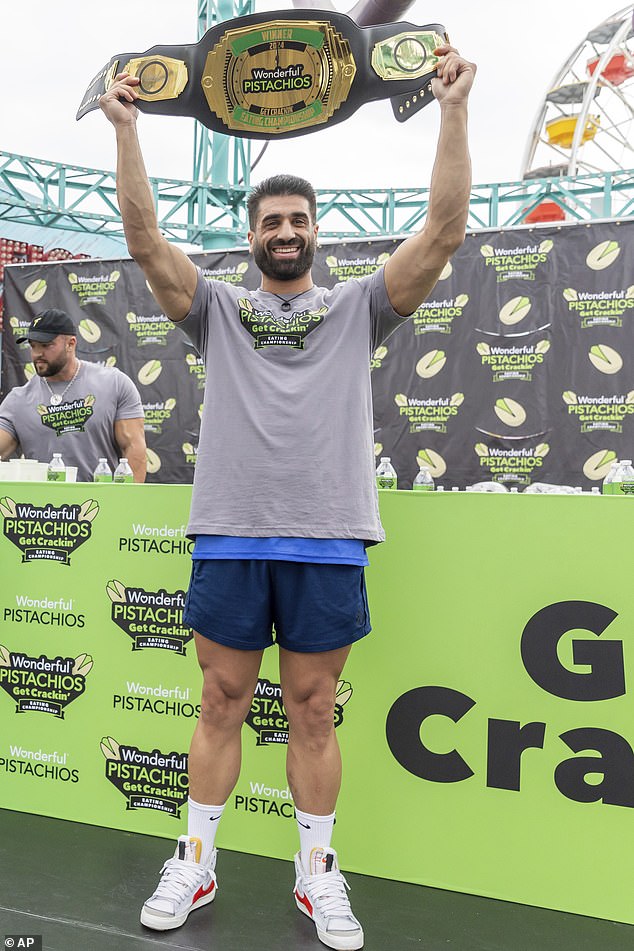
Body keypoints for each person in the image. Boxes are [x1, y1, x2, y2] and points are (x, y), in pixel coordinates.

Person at [99, 41, 475, 950]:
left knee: (311, 710)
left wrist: (455, 108)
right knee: (220, 700)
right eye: (271, 219)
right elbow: (145, 239)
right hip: (232, 535)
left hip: (328, 537)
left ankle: (317, 875)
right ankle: (195, 859)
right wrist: (126, 129)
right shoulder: (217, 309)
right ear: (253, 235)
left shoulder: (359, 307)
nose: (285, 229)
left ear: (315, 232)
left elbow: (444, 230)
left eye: (298, 218)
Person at [0, 308, 146, 482]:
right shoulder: (17, 401)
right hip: (42, 500)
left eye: (46, 345)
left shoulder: (114, 383)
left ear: (70, 344)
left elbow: (134, 449)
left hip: (101, 497)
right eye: (33, 346)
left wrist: (126, 498)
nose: (37, 353)